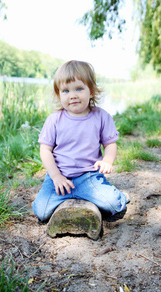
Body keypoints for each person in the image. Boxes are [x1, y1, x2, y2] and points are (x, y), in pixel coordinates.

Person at [32, 60, 129, 222]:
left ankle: (119, 196)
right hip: (59, 177)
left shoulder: (101, 117)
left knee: (114, 205)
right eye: (66, 90)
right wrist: (56, 176)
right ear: (59, 94)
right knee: (41, 211)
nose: (73, 95)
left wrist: (107, 160)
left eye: (79, 88)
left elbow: (110, 143)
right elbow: (45, 150)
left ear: (91, 91)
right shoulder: (54, 119)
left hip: (88, 176)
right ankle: (63, 196)